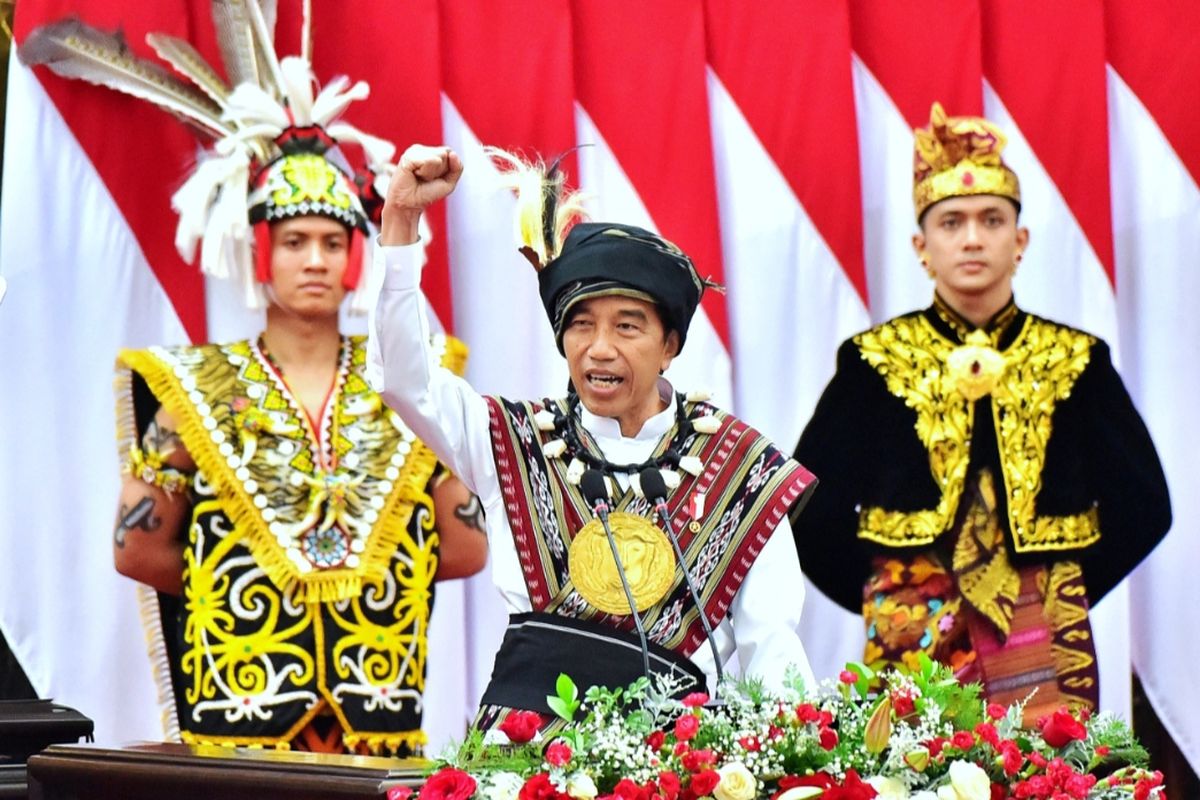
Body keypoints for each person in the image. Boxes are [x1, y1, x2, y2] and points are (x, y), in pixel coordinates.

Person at [24, 7, 486, 754]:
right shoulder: (197, 386)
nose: (314, 260)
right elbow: (135, 547)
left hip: (380, 730)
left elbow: (466, 546)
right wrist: (239, 595)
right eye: (295, 240)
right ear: (259, 250)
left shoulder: (407, 384)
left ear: (354, 256)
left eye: (333, 242)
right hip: (238, 730)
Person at [369, 146, 818, 732]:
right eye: (581, 324)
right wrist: (400, 218)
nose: (599, 348)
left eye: (627, 326)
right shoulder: (512, 440)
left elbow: (773, 657)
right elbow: (405, 378)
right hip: (518, 772)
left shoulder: (740, 470)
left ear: (670, 346)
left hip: (675, 773)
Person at [791, 103, 1171, 720]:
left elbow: (1146, 504)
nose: (972, 238)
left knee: (1051, 777)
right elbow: (806, 509)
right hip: (909, 620)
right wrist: (881, 592)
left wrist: (1067, 589)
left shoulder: (1075, 359)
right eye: (952, 222)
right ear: (922, 246)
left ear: (1019, 241)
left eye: (991, 220)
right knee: (910, 777)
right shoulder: (873, 361)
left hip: (1046, 620)